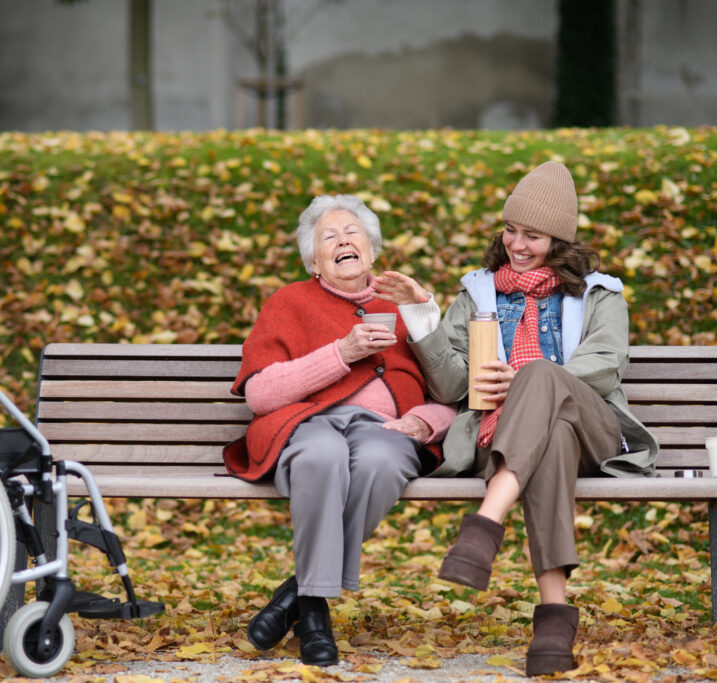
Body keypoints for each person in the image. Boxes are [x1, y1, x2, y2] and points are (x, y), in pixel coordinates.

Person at [373, 161, 658, 676]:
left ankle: (486, 522)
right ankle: (553, 621)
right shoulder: (479, 292)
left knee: (543, 377)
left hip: (598, 430)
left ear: (561, 241)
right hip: (511, 438)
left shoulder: (599, 294)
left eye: (533, 235)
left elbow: (606, 363)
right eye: (510, 230)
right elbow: (452, 386)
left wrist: (528, 379)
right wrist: (422, 315)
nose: (517, 244)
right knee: (552, 442)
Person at [223, 194, 457, 666]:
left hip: (385, 430)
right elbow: (261, 395)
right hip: (306, 424)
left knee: (381, 461)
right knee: (322, 456)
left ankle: (299, 596)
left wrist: (425, 421)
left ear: (372, 250)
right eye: (329, 236)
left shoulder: (407, 305)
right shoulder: (289, 302)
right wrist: (341, 353)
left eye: (353, 233)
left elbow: (454, 394)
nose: (343, 240)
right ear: (314, 260)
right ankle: (312, 610)